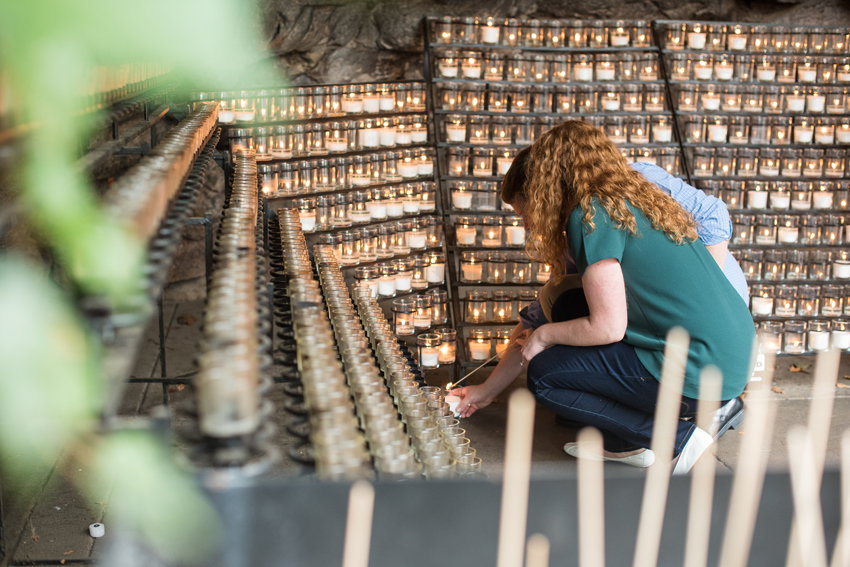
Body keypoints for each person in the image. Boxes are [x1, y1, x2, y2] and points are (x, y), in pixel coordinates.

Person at [456, 121, 755, 474]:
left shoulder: (590, 215)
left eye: (525, 215)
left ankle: (678, 439)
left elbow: (608, 327)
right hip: (734, 356)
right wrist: (488, 390)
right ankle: (626, 444)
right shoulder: (635, 198)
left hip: (701, 366)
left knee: (545, 376)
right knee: (567, 308)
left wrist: (544, 337)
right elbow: (554, 313)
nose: (527, 226)